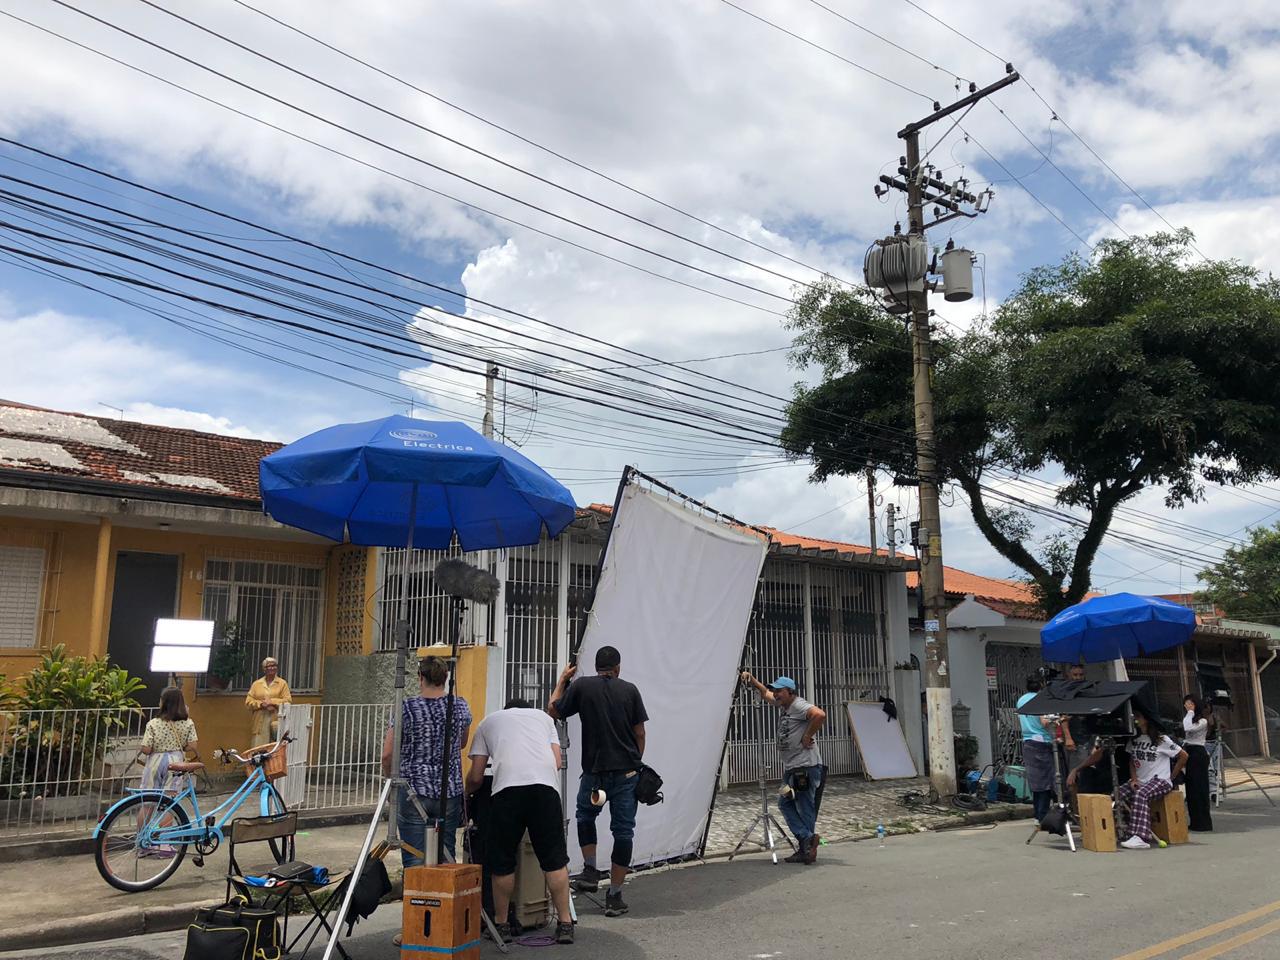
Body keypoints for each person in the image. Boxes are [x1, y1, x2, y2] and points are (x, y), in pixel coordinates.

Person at [547, 645, 648, 917]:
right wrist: (635, 763)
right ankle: (614, 896)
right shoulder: (630, 690)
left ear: (596, 667)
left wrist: (562, 680)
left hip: (594, 774)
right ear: (617, 668)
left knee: (585, 816)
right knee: (623, 831)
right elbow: (640, 733)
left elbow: (553, 710)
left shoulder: (582, 687)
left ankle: (590, 870)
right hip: (626, 774)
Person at [466, 699, 574, 946]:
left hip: (508, 792)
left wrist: (466, 792)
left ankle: (502, 925)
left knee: (502, 862)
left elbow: (477, 776)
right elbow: (557, 762)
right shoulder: (545, 719)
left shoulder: (488, 722)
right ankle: (565, 924)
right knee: (554, 859)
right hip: (545, 791)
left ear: (506, 710)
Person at [381, 656, 472, 866]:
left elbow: (387, 754)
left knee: (415, 858)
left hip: (413, 789)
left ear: (420, 677)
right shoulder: (459, 706)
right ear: (446, 677)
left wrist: (390, 782)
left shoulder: (406, 707)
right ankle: (443, 888)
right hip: (449, 790)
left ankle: (416, 888)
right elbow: (462, 742)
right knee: (446, 856)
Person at [740, 672, 827, 864]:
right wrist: (751, 678)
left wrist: (807, 736)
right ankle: (807, 841)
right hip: (792, 768)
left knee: (803, 806)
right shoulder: (784, 705)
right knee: (785, 803)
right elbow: (765, 693)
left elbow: (819, 715)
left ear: (790, 692)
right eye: (776, 691)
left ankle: (806, 845)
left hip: (804, 767)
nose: (776, 694)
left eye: (780, 691)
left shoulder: (798, 705)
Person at [138, 687, 200, 859]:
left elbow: (146, 748)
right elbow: (193, 745)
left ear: (163, 703)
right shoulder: (187, 723)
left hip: (155, 762)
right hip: (176, 763)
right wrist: (180, 747)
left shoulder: (153, 723)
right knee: (168, 804)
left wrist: (156, 748)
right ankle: (165, 845)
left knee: (147, 803)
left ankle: (143, 844)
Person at [1118, 706, 1188, 850]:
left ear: (1147, 720)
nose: (1135, 720)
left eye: (1138, 717)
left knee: (1141, 795)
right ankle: (1125, 830)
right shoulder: (1134, 739)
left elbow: (1183, 756)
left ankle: (1141, 836)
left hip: (1160, 780)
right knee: (1117, 794)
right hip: (1140, 780)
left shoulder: (1162, 740)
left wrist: (1171, 777)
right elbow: (1132, 760)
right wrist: (1134, 779)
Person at [1016, 675, 1056, 823]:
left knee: (1036, 782)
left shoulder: (1021, 700)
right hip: (1043, 742)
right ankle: (1042, 815)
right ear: (1041, 684)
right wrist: (1057, 720)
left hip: (1028, 742)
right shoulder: (1041, 699)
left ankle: (1037, 814)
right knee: (1046, 782)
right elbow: (1044, 722)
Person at [1182, 694, 1213, 832]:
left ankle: (1203, 822)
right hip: (1189, 752)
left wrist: (1190, 712)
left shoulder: (1203, 721)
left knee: (1199, 788)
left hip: (1198, 753)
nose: (1187, 706)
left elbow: (1188, 728)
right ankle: (1195, 821)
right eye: (1186, 704)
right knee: (1191, 788)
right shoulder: (1189, 718)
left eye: (1190, 703)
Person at [245, 657, 292, 747]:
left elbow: (288, 701)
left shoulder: (282, 683)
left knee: (275, 748)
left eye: (274, 665)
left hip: (276, 720)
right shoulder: (256, 684)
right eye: (269, 666)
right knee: (259, 749)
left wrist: (272, 702)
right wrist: (261, 704)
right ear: (264, 669)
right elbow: (248, 702)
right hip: (260, 721)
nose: (272, 668)